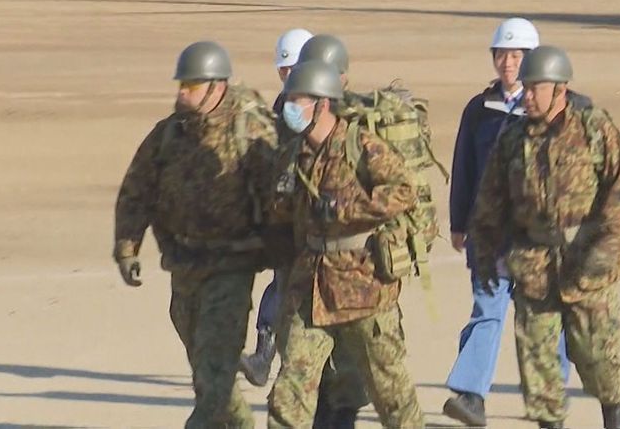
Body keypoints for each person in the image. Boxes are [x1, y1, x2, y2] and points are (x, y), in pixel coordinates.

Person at [470, 45, 620, 429]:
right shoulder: (512, 140)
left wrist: (604, 252)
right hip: (533, 269)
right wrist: (483, 256)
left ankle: (616, 418)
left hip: (587, 265)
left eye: (535, 88)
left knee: (599, 360)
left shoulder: (594, 128)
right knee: (539, 373)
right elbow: (488, 204)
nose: (526, 96)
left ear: (560, 90)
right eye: (525, 87)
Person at [113, 41, 277, 428]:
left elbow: (281, 197)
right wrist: (127, 248)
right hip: (184, 267)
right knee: (206, 373)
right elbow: (136, 190)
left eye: (192, 86)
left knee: (216, 370)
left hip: (232, 268)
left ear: (216, 87)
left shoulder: (251, 129)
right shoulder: (168, 135)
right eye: (181, 85)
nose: (182, 93)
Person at [265, 60, 424, 428]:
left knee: (391, 392)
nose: (291, 107)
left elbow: (404, 190)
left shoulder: (362, 146)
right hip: (311, 290)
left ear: (322, 104)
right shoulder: (296, 154)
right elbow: (283, 212)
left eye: (299, 100)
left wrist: (346, 208)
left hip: (363, 289)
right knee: (291, 391)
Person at [442, 18, 570, 427]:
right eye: (502, 54)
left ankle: (551, 395)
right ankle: (470, 395)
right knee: (487, 310)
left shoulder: (565, 106)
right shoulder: (480, 109)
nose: (508, 63)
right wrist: (459, 222)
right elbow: (463, 166)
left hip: (539, 237)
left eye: (517, 55)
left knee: (547, 315)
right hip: (489, 233)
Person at [240, 27, 314, 387]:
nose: (286, 75)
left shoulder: (324, 104)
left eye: (293, 68)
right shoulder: (282, 105)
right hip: (287, 213)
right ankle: (264, 354)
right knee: (282, 279)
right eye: (282, 70)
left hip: (319, 216)